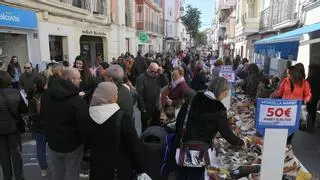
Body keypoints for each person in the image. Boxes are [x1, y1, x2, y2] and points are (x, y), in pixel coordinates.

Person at [176, 77, 244, 179]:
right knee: (197, 175)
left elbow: (179, 121)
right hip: (201, 150)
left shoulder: (193, 98)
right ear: (222, 92)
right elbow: (227, 134)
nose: (225, 96)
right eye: (226, 93)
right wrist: (241, 142)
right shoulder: (218, 108)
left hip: (184, 145)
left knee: (183, 175)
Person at [88, 82, 147, 180]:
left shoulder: (89, 113)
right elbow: (133, 145)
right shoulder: (122, 117)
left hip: (97, 166)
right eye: (115, 94)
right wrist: (140, 168)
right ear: (112, 97)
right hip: (118, 168)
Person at [41, 67, 89, 180]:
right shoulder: (77, 100)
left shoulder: (47, 95)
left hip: (54, 142)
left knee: (57, 172)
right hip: (73, 145)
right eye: (78, 78)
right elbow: (84, 124)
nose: (80, 80)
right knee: (71, 173)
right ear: (70, 79)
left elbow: (43, 115)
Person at [0, 70, 27, 180]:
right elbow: (24, 109)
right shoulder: (15, 92)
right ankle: (19, 177)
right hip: (13, 128)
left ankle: (7, 177)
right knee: (16, 154)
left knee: (3, 156)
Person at [27, 74, 49, 176]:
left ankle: (43, 168)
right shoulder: (48, 95)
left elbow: (31, 114)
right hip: (49, 126)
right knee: (54, 149)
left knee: (40, 149)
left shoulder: (32, 96)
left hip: (37, 127)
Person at [136, 62, 168, 131]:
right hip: (146, 108)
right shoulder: (141, 78)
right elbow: (140, 96)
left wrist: (161, 74)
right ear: (150, 71)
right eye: (155, 72)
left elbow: (166, 84)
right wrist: (143, 109)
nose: (156, 74)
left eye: (157, 72)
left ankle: (155, 139)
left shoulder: (158, 76)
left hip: (156, 106)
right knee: (145, 127)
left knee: (156, 126)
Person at [306, 64, 320, 133]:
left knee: (309, 110)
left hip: (310, 97)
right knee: (313, 110)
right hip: (316, 97)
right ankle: (312, 124)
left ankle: (309, 126)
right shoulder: (318, 76)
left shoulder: (311, 77)